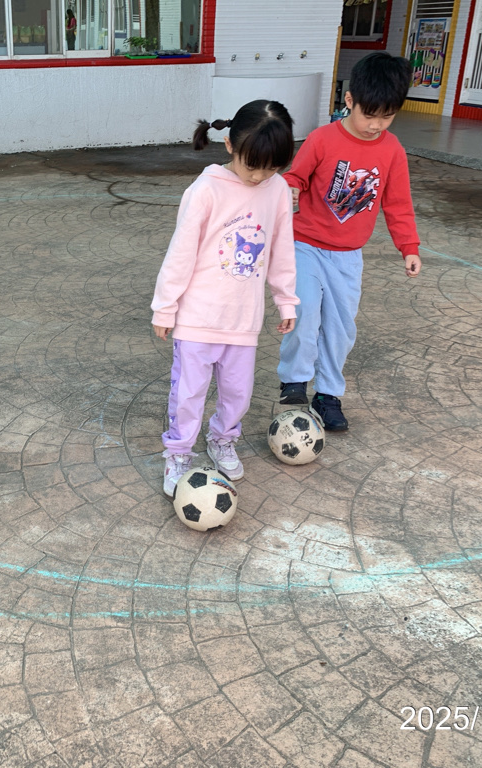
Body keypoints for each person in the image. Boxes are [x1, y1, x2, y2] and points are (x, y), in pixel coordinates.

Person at [152, 100, 299, 497]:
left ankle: (222, 439)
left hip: (242, 320)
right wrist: (165, 307)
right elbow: (180, 253)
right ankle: (179, 452)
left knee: (238, 394)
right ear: (231, 145)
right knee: (188, 395)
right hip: (197, 318)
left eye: (272, 168)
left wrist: (286, 299)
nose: (260, 176)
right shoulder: (205, 190)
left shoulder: (277, 190)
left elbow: (281, 249)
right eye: (253, 166)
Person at [277, 51, 421, 432]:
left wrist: (409, 247)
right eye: (369, 114)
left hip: (348, 256)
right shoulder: (322, 139)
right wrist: (291, 188)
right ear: (349, 100)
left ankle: (327, 394)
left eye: (387, 117)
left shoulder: (392, 151)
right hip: (305, 245)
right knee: (304, 310)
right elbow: (296, 176)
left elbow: (398, 203)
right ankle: (294, 381)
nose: (376, 125)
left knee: (341, 328)